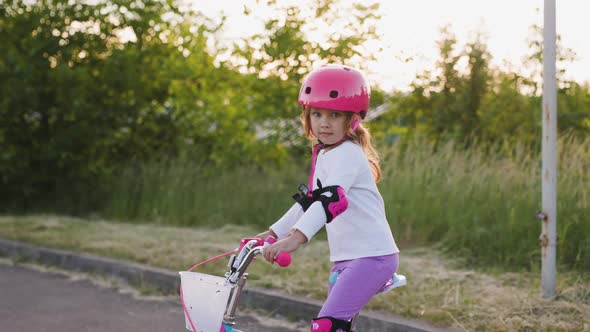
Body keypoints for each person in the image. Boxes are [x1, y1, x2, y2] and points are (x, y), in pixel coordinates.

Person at [255, 64, 402, 332]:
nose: (324, 122)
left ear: (352, 120)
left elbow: (331, 200)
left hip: (372, 255)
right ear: (307, 116)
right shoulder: (325, 153)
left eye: (334, 115)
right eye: (317, 114)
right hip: (348, 257)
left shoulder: (347, 152)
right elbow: (311, 201)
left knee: (326, 326)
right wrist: (271, 234)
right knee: (338, 325)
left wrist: (295, 239)